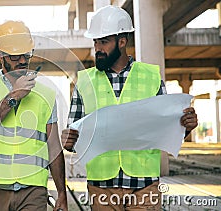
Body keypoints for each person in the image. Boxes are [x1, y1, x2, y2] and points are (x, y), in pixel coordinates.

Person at [61, 5, 198, 211]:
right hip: (102, 188)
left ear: (122, 41)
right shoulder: (85, 81)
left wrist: (185, 127)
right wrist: (69, 141)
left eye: (104, 42)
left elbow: (166, 129)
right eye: (95, 41)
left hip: (144, 186)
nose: (97, 48)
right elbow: (74, 137)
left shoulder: (151, 77)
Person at [0, 20, 67, 211]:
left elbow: (54, 146)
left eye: (26, 55)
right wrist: (13, 96)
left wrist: (62, 193)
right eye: (15, 57)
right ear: (0, 55)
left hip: (34, 191)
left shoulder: (46, 94)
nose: (22, 61)